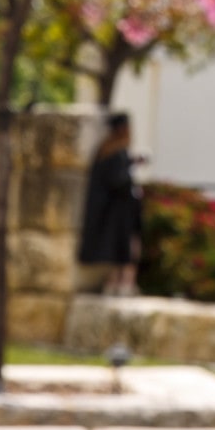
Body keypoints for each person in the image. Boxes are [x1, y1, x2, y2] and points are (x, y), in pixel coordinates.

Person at [78, 112, 141, 296]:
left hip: (110, 212)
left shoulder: (105, 151)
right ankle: (122, 283)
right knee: (124, 249)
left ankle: (116, 282)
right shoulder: (115, 152)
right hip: (117, 213)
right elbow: (118, 181)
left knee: (116, 250)